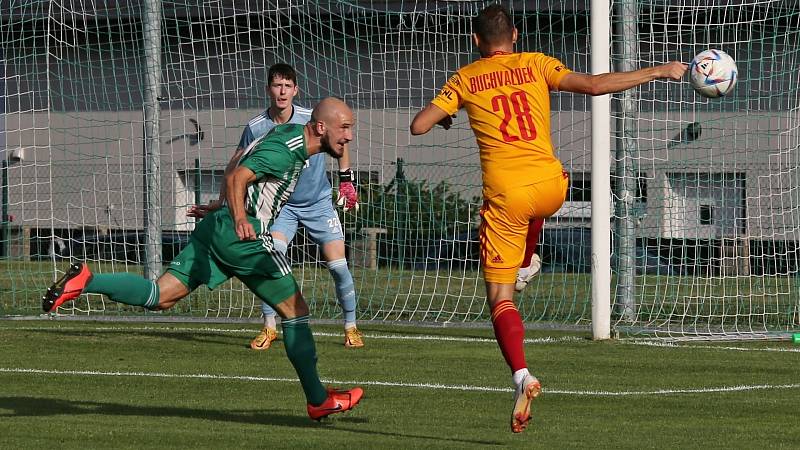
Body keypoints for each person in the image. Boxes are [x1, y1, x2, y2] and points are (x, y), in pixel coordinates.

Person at [410, 4, 686, 433]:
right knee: (537, 204)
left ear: (475, 41)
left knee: (500, 299)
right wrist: (660, 70)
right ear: (515, 35)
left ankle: (522, 375)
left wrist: (449, 111)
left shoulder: (464, 78)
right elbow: (595, 85)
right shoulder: (538, 64)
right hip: (554, 187)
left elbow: (418, 126)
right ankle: (527, 260)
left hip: (507, 197)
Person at [42, 97, 364, 420]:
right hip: (243, 235)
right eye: (345, 128)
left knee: (161, 296)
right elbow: (238, 177)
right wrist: (239, 217)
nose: (349, 136)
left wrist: (221, 207)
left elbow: (236, 163)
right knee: (296, 311)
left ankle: (87, 280)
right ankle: (318, 399)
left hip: (218, 227)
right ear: (321, 127)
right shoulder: (286, 150)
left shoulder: (286, 136)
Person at [190, 63, 364, 350]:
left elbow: (341, 143)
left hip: (318, 203)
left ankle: (351, 327)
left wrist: (346, 182)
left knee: (338, 266)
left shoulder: (315, 119)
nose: (282, 91)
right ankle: (269, 327)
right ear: (269, 89)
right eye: (276, 85)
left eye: (287, 86)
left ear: (295, 90)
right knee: (271, 262)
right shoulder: (256, 127)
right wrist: (221, 202)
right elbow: (235, 165)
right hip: (282, 207)